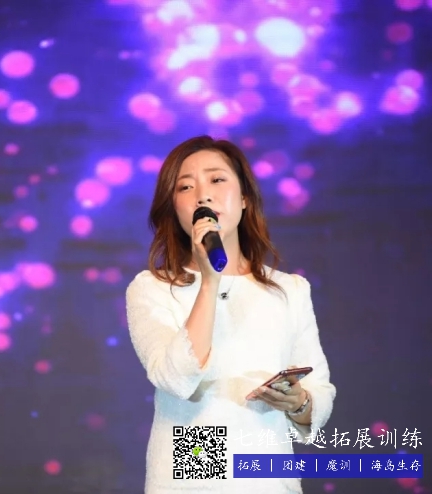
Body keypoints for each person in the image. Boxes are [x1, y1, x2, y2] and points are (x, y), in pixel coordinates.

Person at [125, 135, 336, 493]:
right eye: (185, 186)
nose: (202, 196)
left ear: (244, 198)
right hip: (193, 478)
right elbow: (177, 379)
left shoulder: (289, 290)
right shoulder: (154, 287)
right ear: (174, 208)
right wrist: (209, 281)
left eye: (217, 179)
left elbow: (319, 391)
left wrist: (299, 402)